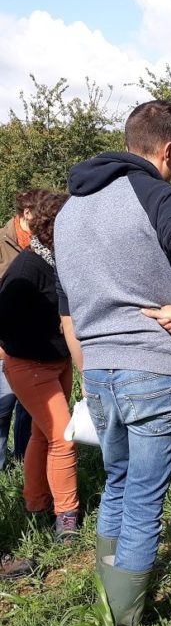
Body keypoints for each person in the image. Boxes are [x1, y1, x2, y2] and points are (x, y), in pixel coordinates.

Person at [55, 100, 171, 626]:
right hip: (151, 368)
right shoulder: (156, 194)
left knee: (118, 481)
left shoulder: (71, 210)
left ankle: (108, 601)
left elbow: (68, 310)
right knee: (145, 499)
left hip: (98, 370)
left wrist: (86, 370)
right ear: (168, 150)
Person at [0, 191, 78, 541]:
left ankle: (36, 503)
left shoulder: (58, 261)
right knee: (64, 437)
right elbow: (4, 320)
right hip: (30, 365)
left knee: (42, 435)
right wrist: (44, 335)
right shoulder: (28, 268)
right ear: (53, 228)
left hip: (58, 362)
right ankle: (67, 516)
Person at [0, 189, 41, 468]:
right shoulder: (2, 241)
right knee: (2, 407)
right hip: (4, 342)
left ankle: (24, 464)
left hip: (34, 343)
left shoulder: (44, 244)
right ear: (27, 213)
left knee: (29, 410)